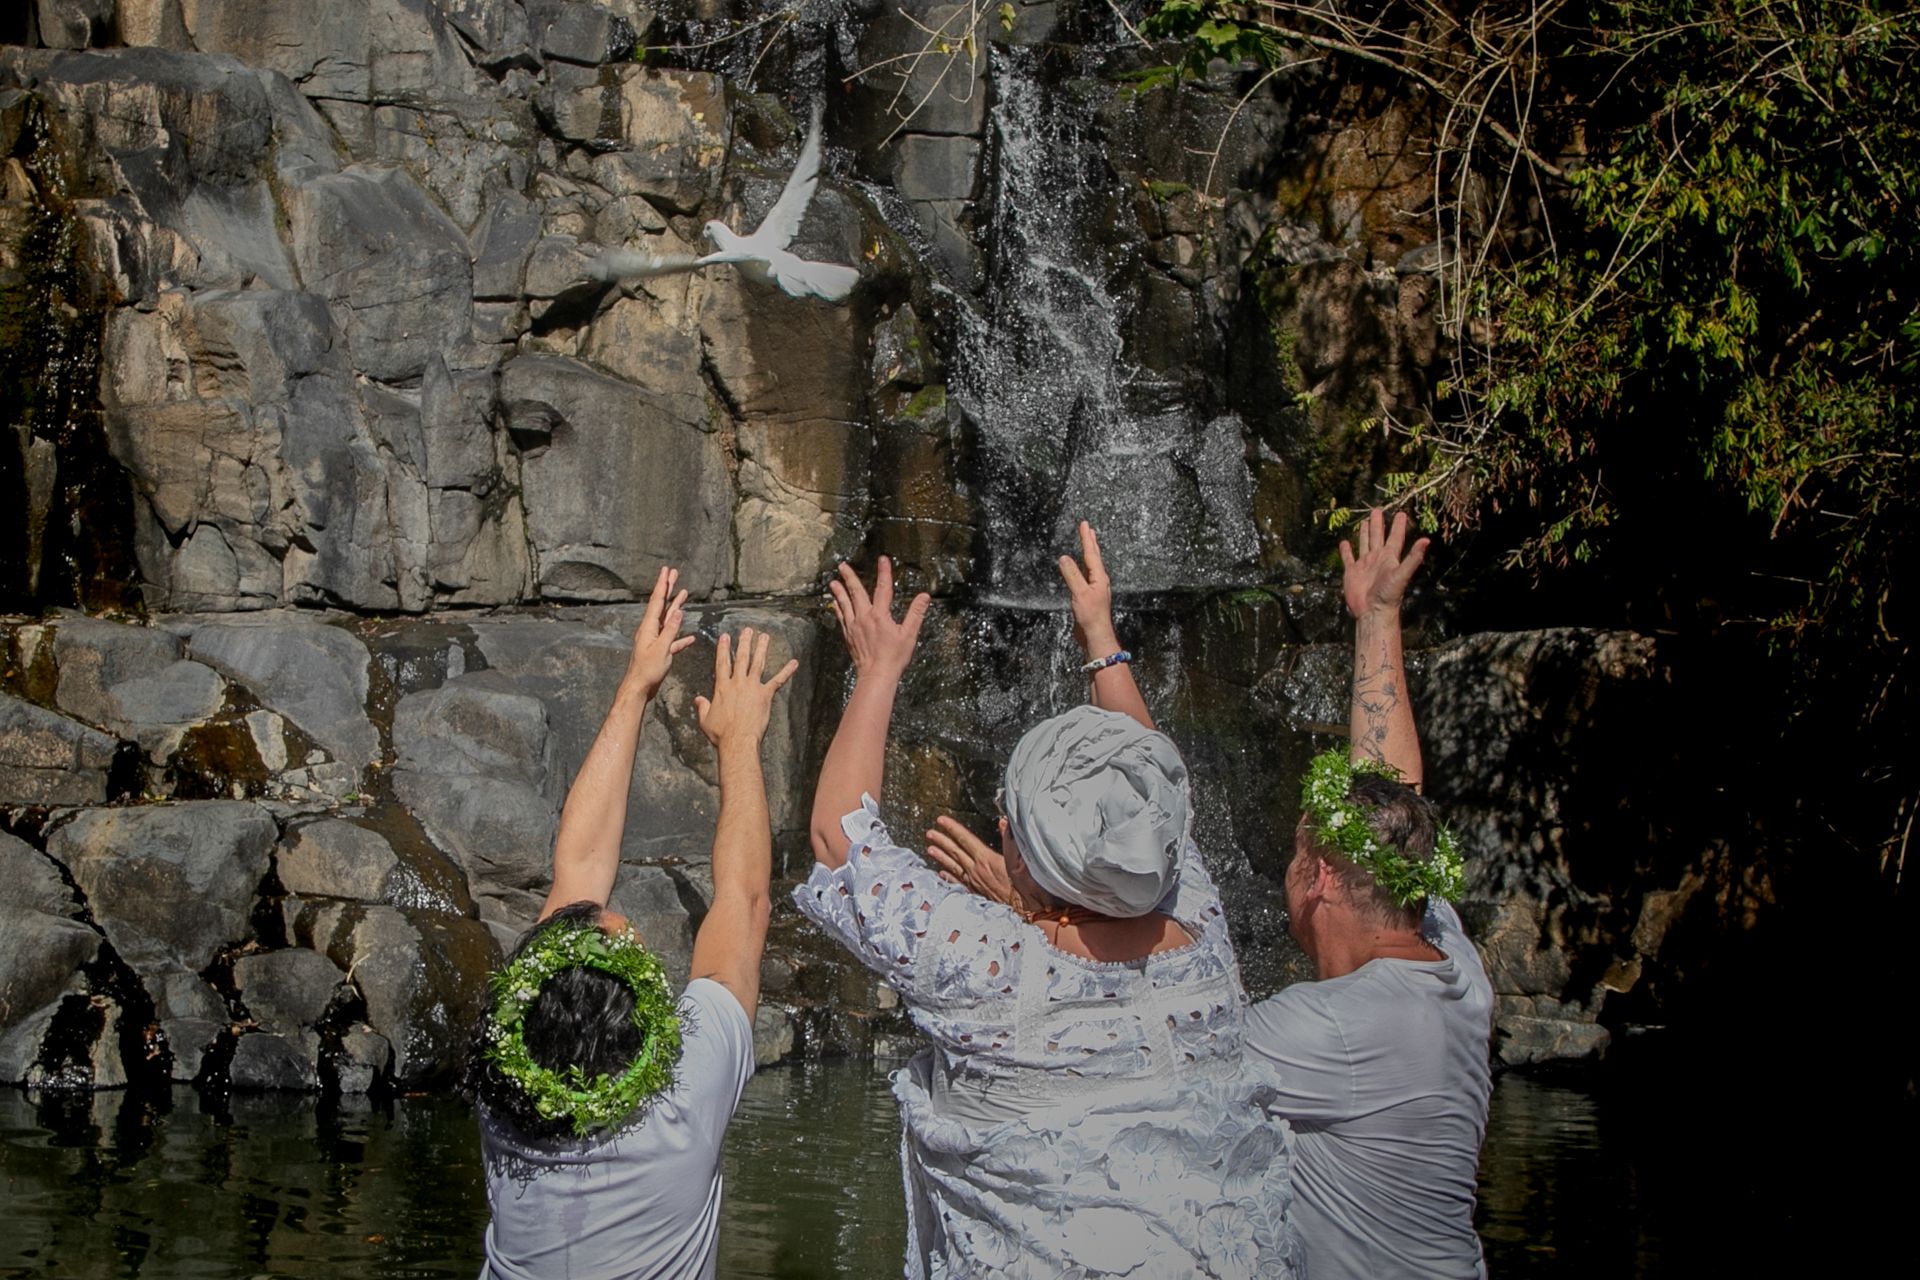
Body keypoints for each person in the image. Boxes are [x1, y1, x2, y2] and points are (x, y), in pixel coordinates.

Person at [799, 525, 1300, 1279]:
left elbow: (842, 840)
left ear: (1022, 855)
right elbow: (1151, 792)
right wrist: (1100, 634)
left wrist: (878, 668)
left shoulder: (987, 967)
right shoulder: (1200, 927)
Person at [467, 566, 797, 1280]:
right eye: (636, 950)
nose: (636, 934)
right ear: (641, 1027)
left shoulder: (505, 1097)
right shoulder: (680, 1103)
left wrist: (636, 686)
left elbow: (580, 870)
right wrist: (739, 744)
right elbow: (742, 899)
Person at [1244, 509, 1494, 1279]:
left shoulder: (1328, 1028)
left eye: (1295, 854)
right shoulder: (1452, 966)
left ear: (1319, 879)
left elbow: (1145, 1048)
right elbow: (1393, 805)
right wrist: (1379, 618)